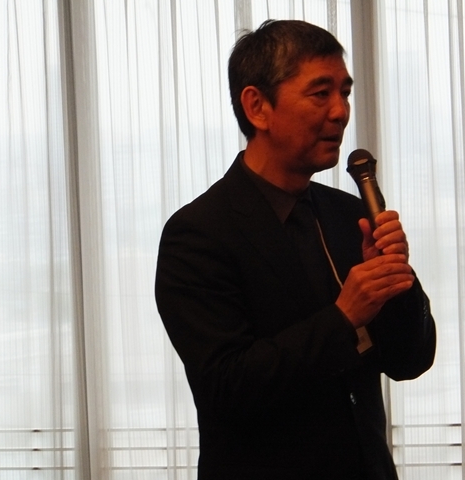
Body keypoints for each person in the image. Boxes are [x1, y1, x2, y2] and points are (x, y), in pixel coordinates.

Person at [155, 19, 436, 480]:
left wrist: (396, 283)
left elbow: (411, 360)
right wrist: (344, 316)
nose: (340, 111)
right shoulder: (198, 234)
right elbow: (227, 387)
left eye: (345, 93)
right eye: (320, 93)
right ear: (257, 107)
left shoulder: (350, 214)